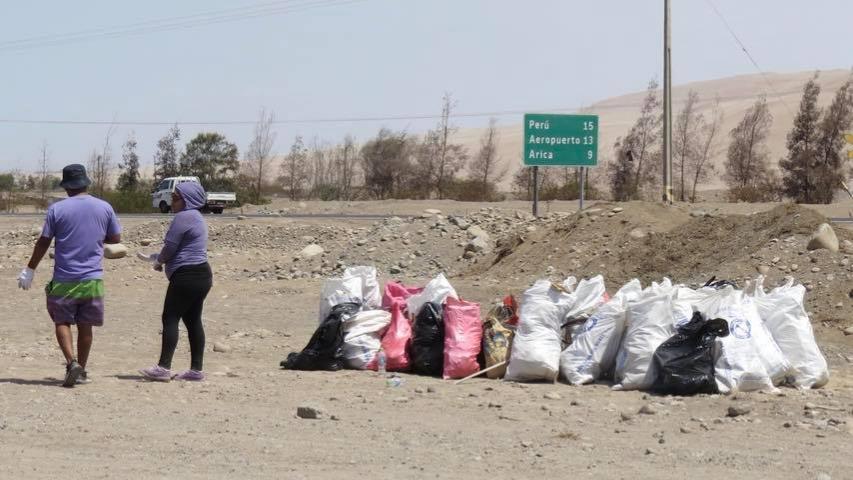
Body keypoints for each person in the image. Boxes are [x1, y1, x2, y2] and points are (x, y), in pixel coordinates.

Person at [18, 164, 121, 387]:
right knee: (86, 326)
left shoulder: (57, 209)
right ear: (86, 183)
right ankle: (81, 370)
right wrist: (93, 239)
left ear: (66, 187)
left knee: (61, 321)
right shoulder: (104, 207)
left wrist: (30, 269)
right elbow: (115, 238)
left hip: (64, 279)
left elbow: (44, 241)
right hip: (93, 280)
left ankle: (71, 362)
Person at [139, 181, 212, 382]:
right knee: (193, 320)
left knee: (170, 317)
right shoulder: (197, 217)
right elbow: (181, 247)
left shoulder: (183, 217)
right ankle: (196, 370)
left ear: (187, 200)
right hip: (202, 275)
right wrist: (157, 256)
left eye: (176, 197)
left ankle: (163, 368)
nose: (172, 201)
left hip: (186, 276)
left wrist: (159, 261)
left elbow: (171, 247)